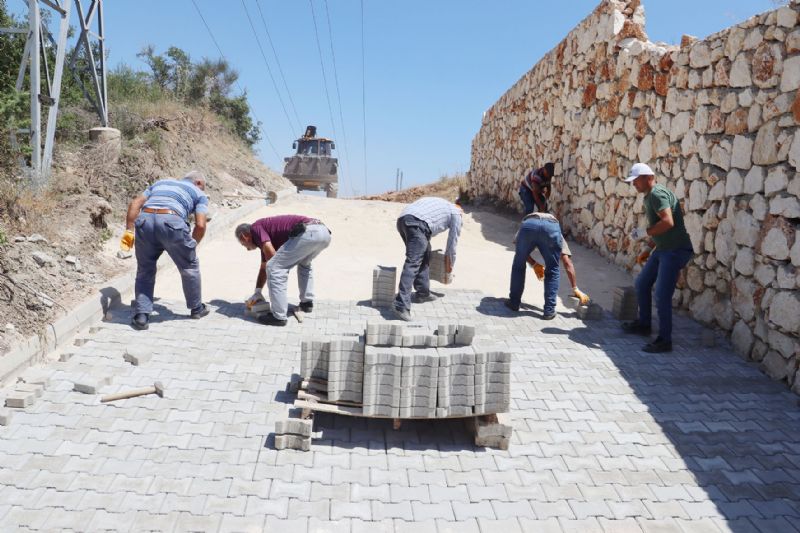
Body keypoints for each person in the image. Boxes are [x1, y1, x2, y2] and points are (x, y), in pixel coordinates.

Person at [121, 170, 210, 330]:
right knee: (189, 266)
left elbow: (135, 204)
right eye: (203, 186)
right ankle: (197, 308)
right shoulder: (199, 193)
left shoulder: (160, 183)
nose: (202, 189)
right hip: (172, 222)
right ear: (198, 183)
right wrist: (192, 245)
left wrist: (129, 231)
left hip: (145, 221)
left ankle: (142, 316)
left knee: (145, 270)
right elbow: (201, 224)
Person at [621, 163, 694, 353]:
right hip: (663, 248)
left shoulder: (656, 195)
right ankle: (644, 324)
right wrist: (649, 247)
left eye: (636, 181)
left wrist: (644, 233)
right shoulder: (651, 195)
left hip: (675, 250)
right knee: (642, 284)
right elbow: (661, 227)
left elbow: (668, 222)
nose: (634, 185)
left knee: (661, 295)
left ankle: (665, 340)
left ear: (647, 177)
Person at [235, 215, 331, 326]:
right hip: (323, 232)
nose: (247, 249)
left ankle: (279, 316)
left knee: (275, 269)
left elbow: (272, 263)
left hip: (307, 232)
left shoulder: (255, 228)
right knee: (304, 263)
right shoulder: (265, 237)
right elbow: (264, 266)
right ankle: (306, 303)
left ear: (244, 236)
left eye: (243, 244)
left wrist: (280, 271)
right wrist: (258, 291)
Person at [393, 197, 462, 321]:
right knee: (413, 262)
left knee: (424, 253)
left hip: (403, 220)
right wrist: (449, 268)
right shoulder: (456, 213)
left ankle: (423, 293)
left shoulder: (442, 203)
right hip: (416, 224)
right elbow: (452, 244)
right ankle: (401, 305)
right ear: (461, 209)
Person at [506, 211, 563, 319]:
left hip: (529, 225)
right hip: (551, 228)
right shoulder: (557, 232)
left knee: (518, 265)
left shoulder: (525, 224)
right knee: (553, 270)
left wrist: (533, 263)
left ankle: (514, 302)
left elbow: (520, 251)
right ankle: (549, 310)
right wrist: (534, 264)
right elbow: (566, 259)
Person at [527, 239, 591, 305]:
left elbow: (521, 250)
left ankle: (515, 303)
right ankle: (549, 309)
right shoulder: (554, 233)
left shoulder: (528, 230)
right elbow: (567, 263)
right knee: (554, 271)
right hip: (551, 232)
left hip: (534, 231)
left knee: (522, 250)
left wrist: (534, 264)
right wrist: (575, 288)